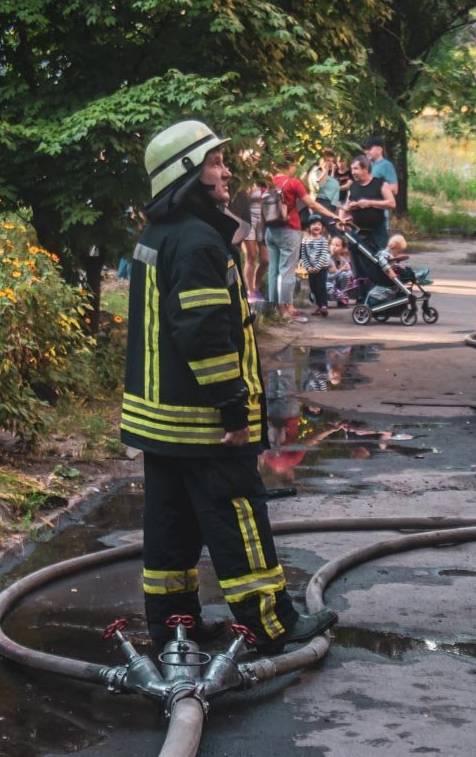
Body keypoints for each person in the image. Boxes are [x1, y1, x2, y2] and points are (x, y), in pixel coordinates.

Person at [122, 119, 337, 654]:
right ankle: (271, 624)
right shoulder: (197, 242)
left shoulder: (159, 236)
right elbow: (204, 334)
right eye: (215, 164)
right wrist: (234, 411)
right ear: (188, 175)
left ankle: (176, 628)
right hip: (202, 422)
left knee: (170, 527)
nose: (226, 171)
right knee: (238, 516)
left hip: (160, 421)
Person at [268, 153, 339, 323]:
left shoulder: (268, 182)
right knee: (287, 271)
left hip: (270, 230)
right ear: (290, 165)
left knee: (274, 270)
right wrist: (333, 216)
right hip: (289, 229)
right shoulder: (293, 183)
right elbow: (312, 204)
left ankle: (273, 308)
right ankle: (286, 309)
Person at [346, 154, 395, 253]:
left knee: (379, 262)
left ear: (366, 169)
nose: (353, 172)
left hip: (377, 233)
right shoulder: (353, 187)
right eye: (352, 169)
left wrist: (370, 203)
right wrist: (351, 207)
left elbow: (392, 203)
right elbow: (347, 206)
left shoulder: (380, 184)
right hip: (357, 232)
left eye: (356, 169)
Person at [363, 136, 398, 234]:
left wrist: (375, 189)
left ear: (379, 149)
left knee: (379, 242)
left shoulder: (386, 165)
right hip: (363, 211)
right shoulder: (366, 166)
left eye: (370, 149)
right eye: (365, 149)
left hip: (379, 211)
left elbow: (394, 189)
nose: (366, 151)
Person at [299, 219, 332, 316]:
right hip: (310, 269)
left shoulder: (323, 240)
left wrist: (317, 267)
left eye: (319, 224)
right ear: (309, 227)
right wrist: (308, 267)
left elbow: (323, 255)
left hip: (321, 268)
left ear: (322, 228)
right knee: (313, 288)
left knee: (321, 286)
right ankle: (318, 305)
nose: (316, 226)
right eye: (314, 224)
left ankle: (324, 306)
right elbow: (303, 255)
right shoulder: (305, 240)